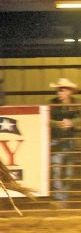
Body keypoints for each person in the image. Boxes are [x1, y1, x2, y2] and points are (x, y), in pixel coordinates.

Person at [48, 77, 81, 207]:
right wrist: (58, 124)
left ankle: (62, 199)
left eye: (62, 90)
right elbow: (46, 119)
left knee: (68, 173)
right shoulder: (52, 104)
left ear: (69, 91)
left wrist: (71, 123)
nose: (59, 93)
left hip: (70, 143)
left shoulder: (77, 104)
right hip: (58, 142)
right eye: (59, 90)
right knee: (56, 170)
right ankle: (59, 199)